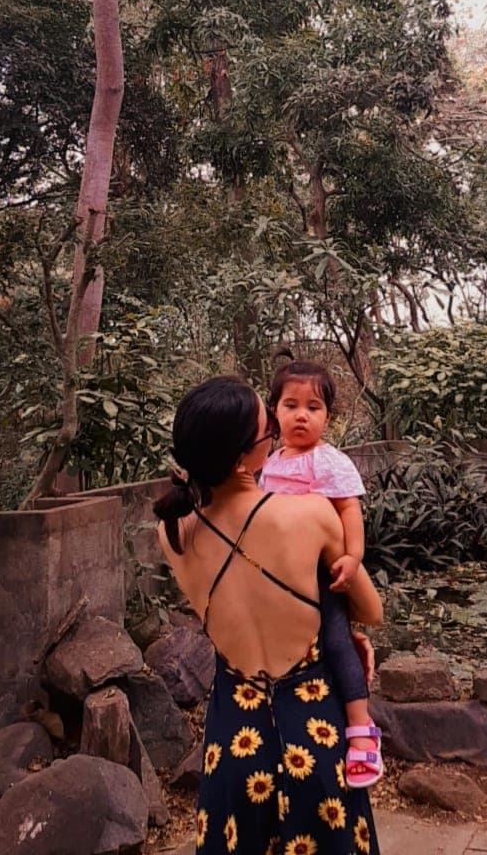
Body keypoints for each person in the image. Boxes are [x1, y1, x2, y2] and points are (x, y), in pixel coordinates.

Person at [154, 375, 383, 855]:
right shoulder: (310, 515)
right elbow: (370, 608)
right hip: (314, 734)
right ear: (245, 456)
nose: (279, 436)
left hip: (233, 741)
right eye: (270, 433)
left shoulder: (172, 533)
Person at [261, 359, 383, 788]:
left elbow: (349, 509)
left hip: (324, 576)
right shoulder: (271, 464)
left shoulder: (328, 462)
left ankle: (361, 732)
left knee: (336, 641)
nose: (301, 415)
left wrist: (353, 557)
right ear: (274, 411)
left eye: (313, 407)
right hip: (282, 581)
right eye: (290, 404)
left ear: (328, 417)